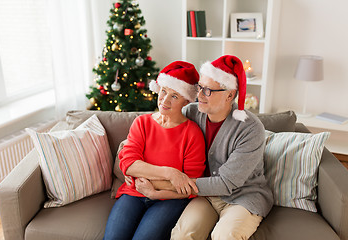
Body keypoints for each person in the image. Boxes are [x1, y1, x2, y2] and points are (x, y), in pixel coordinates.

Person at [152, 55, 274, 240]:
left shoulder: (250, 128)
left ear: (230, 95)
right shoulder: (192, 112)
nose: (199, 95)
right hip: (205, 197)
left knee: (225, 236)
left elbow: (225, 183)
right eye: (199, 87)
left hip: (242, 197)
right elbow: (155, 130)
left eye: (207, 90)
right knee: (183, 234)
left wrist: (161, 184)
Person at [102, 61, 206, 240]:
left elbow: (189, 186)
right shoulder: (142, 123)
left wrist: (153, 189)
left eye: (174, 96)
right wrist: (170, 173)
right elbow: (128, 164)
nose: (164, 100)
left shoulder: (192, 133)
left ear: (186, 100)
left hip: (169, 200)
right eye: (163, 91)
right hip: (134, 193)